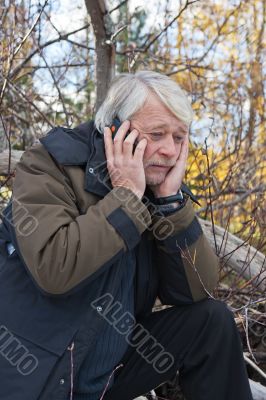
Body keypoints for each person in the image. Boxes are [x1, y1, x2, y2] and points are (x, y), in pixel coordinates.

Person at [0, 71, 253, 400]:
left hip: (107, 372)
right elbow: (54, 268)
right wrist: (126, 199)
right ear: (115, 129)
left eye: (179, 138)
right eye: (157, 134)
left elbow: (196, 291)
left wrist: (171, 204)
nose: (169, 151)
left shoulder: (156, 188)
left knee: (212, 322)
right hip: (38, 374)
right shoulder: (52, 164)